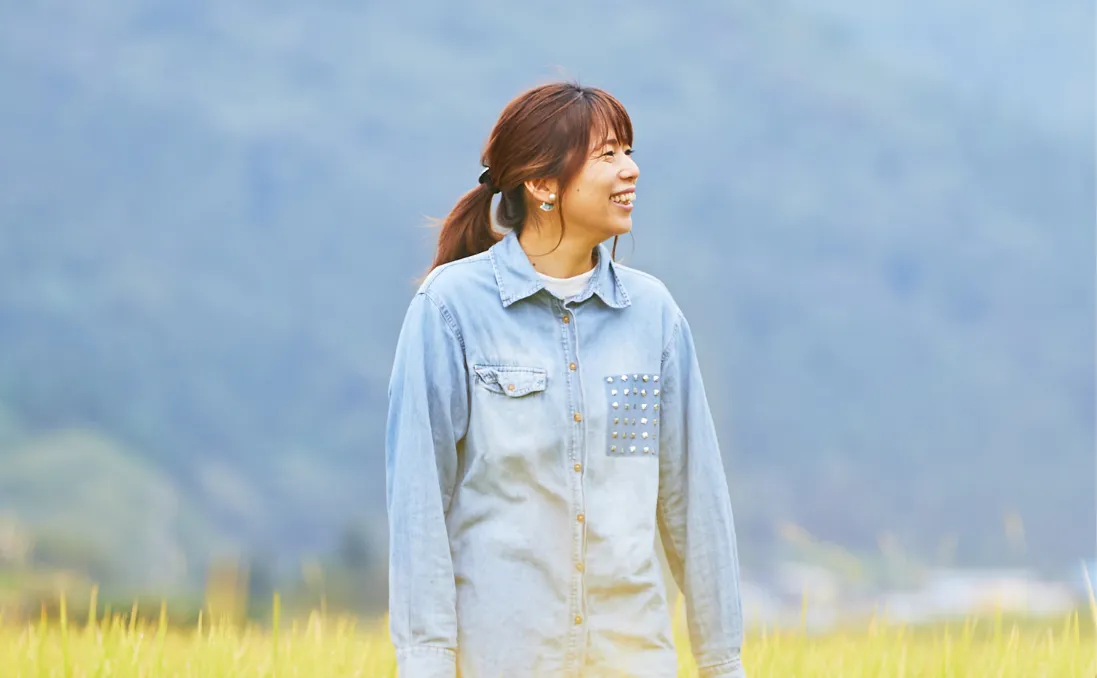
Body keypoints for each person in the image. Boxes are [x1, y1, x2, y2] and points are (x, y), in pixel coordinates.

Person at [385, 81, 747, 678]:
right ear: (543, 184)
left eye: (628, 151)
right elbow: (419, 503)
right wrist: (425, 664)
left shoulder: (654, 315)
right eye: (608, 155)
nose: (630, 171)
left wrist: (722, 664)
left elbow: (696, 506)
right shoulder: (450, 308)